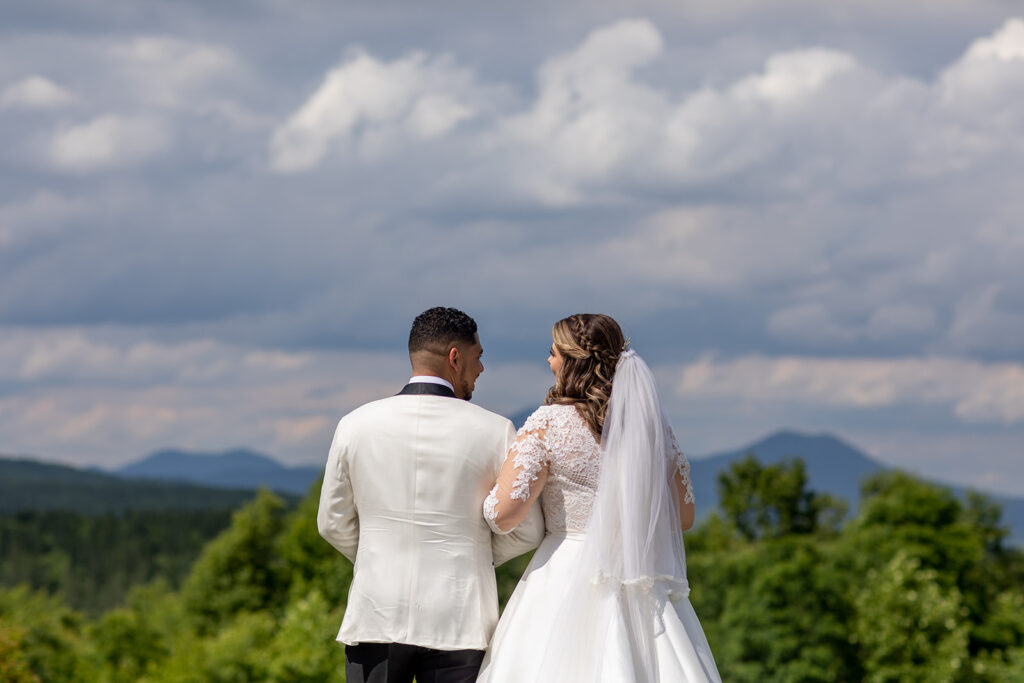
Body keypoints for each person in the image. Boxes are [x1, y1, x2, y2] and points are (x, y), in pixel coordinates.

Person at [478, 313, 721, 682]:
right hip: (640, 575)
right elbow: (683, 518)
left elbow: (503, 514)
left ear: (572, 360)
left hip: (565, 570)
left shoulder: (549, 423)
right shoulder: (650, 429)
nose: (549, 360)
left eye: (554, 352)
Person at [318, 306, 545, 683]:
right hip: (460, 617)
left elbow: (331, 523)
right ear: (455, 358)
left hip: (377, 610)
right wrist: (473, 557)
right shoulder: (496, 431)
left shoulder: (354, 425)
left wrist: (379, 555)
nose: (482, 369)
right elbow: (527, 531)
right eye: (479, 357)